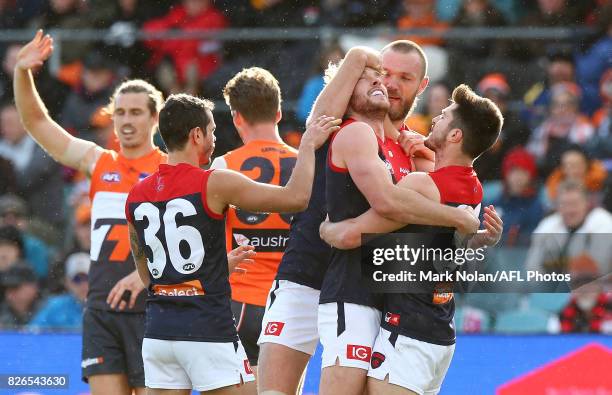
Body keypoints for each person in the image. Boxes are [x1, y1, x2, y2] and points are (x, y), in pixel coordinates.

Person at [257, 42, 485, 395]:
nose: (390, 83)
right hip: (307, 269)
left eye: (403, 77)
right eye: (383, 73)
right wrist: (358, 58)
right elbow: (400, 203)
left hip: (366, 287)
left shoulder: (419, 149)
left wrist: (471, 231)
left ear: (421, 86)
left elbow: (443, 221)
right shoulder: (347, 124)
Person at [124, 93, 339, 394]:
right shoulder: (214, 182)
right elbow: (296, 198)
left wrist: (214, 267)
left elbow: (149, 273)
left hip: (159, 335)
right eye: (211, 131)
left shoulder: (136, 194)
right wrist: (307, 146)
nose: (214, 139)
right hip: (206, 331)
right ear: (196, 135)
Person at [319, 84, 504, 395]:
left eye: (443, 117)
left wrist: (327, 228)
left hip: (408, 330)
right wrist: (479, 240)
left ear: (456, 135)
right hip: (440, 330)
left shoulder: (422, 184)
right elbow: (446, 248)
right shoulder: (474, 189)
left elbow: (351, 234)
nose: (434, 119)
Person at [14, 30, 166, 395]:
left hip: (154, 308)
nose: (127, 121)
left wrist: (144, 277)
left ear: (154, 118)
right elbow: (37, 124)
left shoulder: (170, 170)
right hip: (102, 310)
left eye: (136, 113)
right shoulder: (97, 162)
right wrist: (21, 73)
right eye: (120, 113)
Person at [209, 67, 296, 386]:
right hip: (292, 303)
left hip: (242, 300)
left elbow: (212, 238)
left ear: (236, 117)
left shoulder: (224, 166)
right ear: (279, 112)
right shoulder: (304, 164)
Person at [29, 252, 90, 330]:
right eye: (77, 279)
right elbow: (31, 334)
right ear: (67, 282)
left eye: (87, 278)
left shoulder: (106, 305)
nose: (83, 284)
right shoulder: (55, 306)